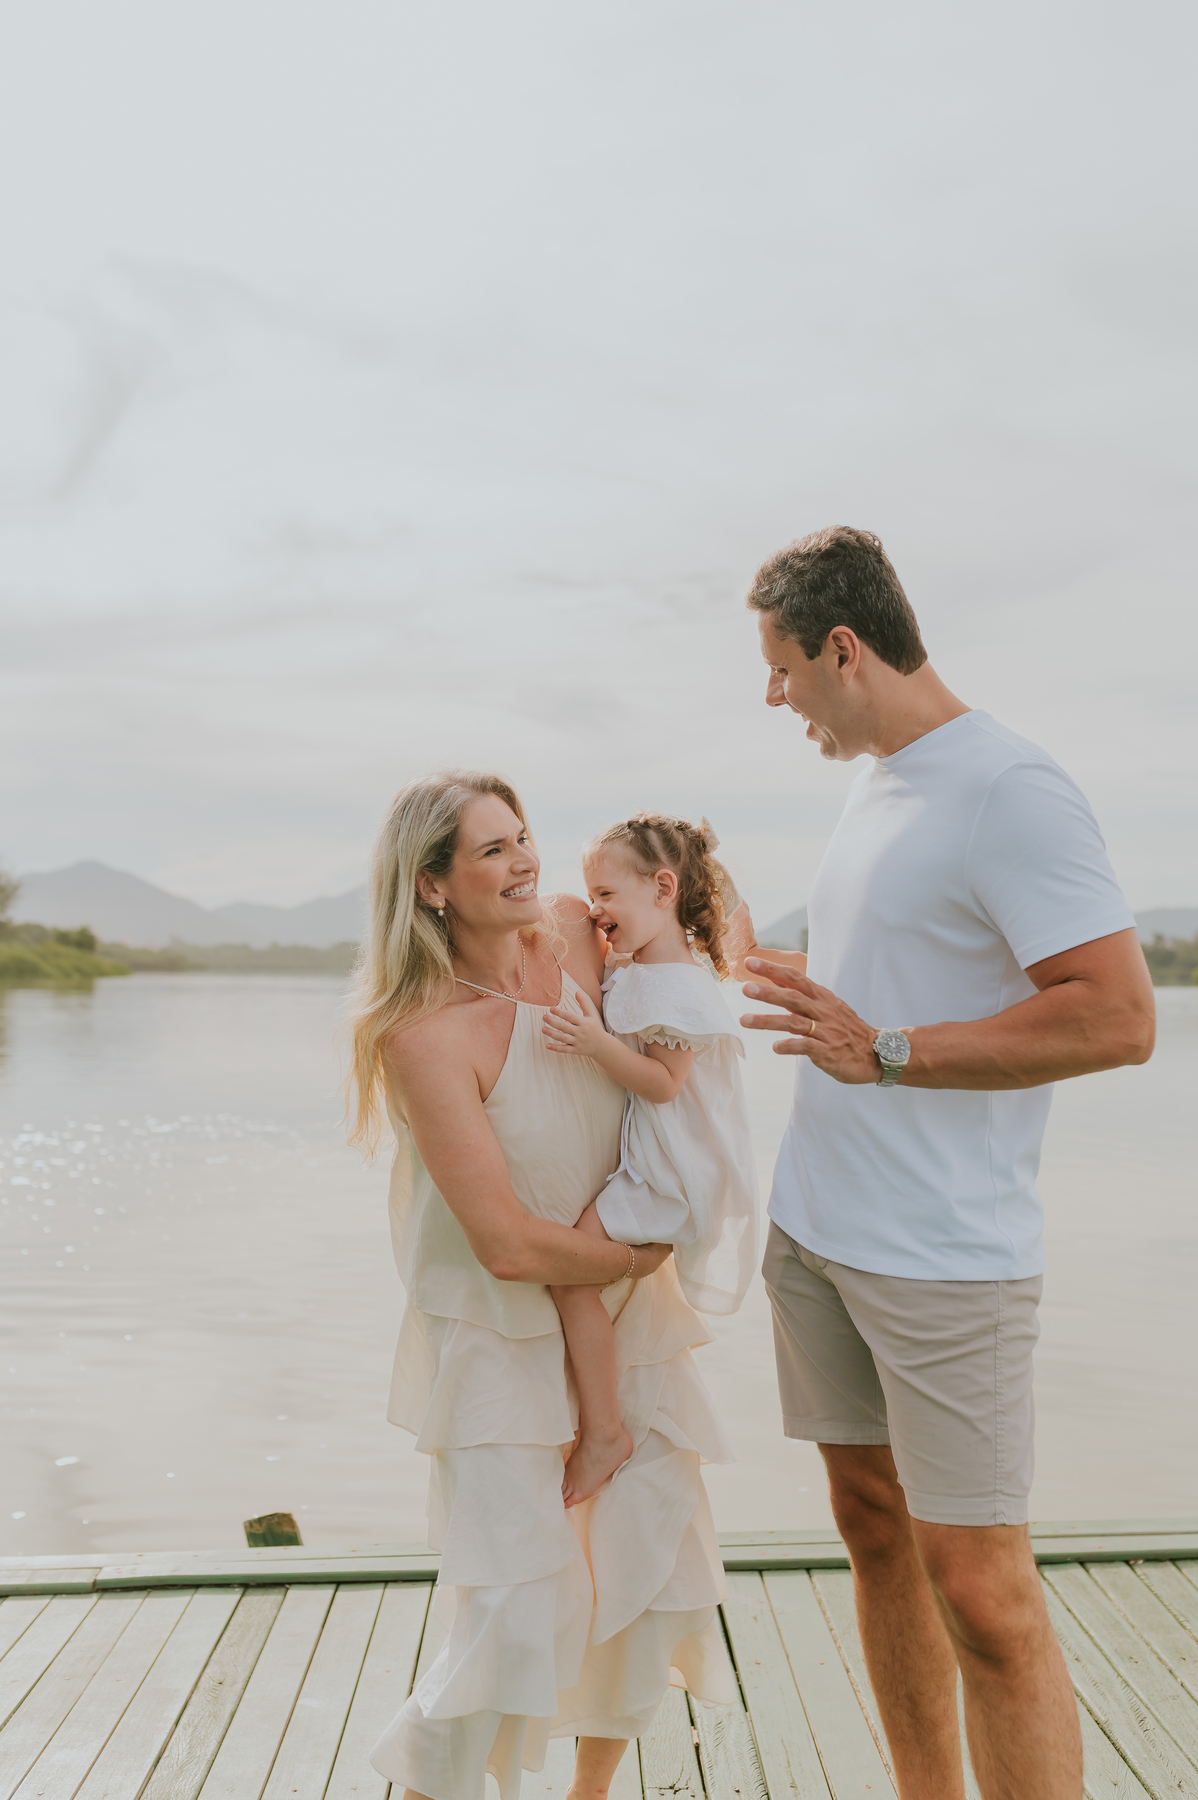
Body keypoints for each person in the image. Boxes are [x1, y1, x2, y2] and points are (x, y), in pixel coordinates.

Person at [729, 527, 1155, 1800]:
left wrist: (888, 1051)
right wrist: (768, 971)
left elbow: (1117, 1016)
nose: (774, 697)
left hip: (946, 1262)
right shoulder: (878, 781)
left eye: (782, 669)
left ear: (843, 649)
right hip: (819, 1232)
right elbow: (897, 975)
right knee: (873, 1532)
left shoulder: (1009, 787)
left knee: (984, 1593)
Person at [346, 771, 736, 1800]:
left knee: (646, 1569)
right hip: (502, 1333)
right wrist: (633, 1258)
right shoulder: (421, 1034)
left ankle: (588, 1794)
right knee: (516, 1605)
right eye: (492, 849)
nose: (524, 860)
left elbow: (678, 960)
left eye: (521, 836)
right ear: (430, 885)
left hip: (628, 1320)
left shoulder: (574, 931)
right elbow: (508, 1247)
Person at [540, 812, 757, 1506]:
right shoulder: (641, 969)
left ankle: (605, 1433)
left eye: (606, 894)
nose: (595, 910)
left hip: (672, 1174)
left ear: (663, 889)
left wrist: (593, 1043)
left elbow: (664, 1084)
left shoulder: (681, 988)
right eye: (590, 895)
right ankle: (601, 1417)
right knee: (578, 1275)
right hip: (654, 1160)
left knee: (571, 1276)